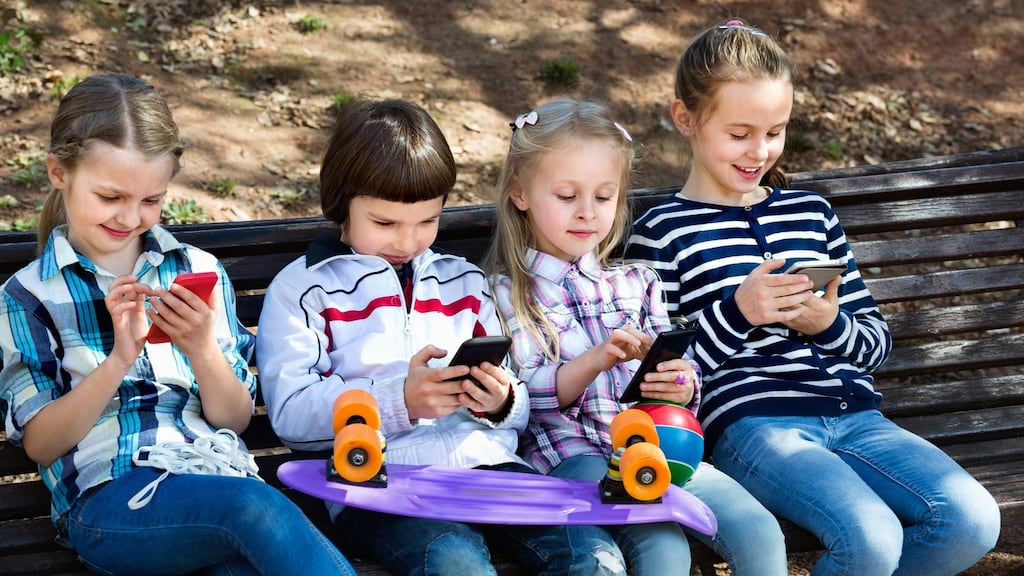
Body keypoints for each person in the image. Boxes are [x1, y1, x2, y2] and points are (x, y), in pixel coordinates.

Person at [624, 19, 1002, 576]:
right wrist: (738, 312)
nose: (760, 150)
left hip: (856, 417)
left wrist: (827, 324)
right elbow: (657, 377)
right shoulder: (661, 231)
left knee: (972, 521)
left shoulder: (812, 214)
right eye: (740, 133)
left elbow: (875, 345)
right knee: (870, 538)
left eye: (776, 131)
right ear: (686, 119)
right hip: (754, 426)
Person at [0, 74, 354, 576]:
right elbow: (42, 443)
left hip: (213, 479)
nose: (130, 217)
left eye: (151, 200)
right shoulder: (29, 295)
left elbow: (232, 420)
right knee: (256, 508)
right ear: (59, 172)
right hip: (112, 502)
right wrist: (119, 359)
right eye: (110, 197)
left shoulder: (196, 270)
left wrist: (202, 349)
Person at [256, 98, 626, 576]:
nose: (408, 242)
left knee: (594, 556)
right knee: (455, 563)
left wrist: (498, 402)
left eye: (427, 222)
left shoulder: (463, 280)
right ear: (340, 204)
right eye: (385, 223)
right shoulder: (304, 287)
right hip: (376, 480)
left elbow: (515, 408)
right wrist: (399, 400)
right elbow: (289, 415)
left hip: (489, 467)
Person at [486, 97, 786, 575]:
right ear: (520, 193)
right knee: (663, 549)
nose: (587, 213)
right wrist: (594, 361)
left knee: (759, 531)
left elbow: (679, 389)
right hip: (575, 455)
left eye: (604, 198)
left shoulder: (638, 281)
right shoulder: (507, 294)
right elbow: (520, 402)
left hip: (657, 446)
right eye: (567, 197)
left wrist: (680, 384)